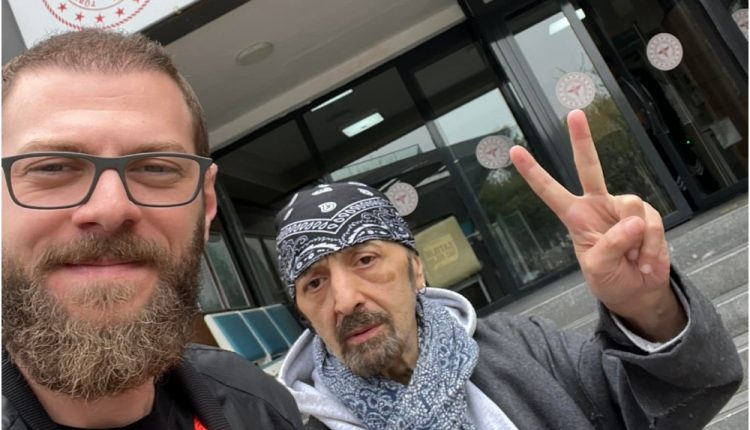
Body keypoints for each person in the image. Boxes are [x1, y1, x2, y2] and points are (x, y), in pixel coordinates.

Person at [274, 110, 742, 430]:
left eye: (365, 260)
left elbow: (675, 402)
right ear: (302, 311)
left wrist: (648, 308)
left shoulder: (522, 348)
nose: (344, 299)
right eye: (314, 282)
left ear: (416, 270)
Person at [2, 29, 303, 429]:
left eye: (156, 168)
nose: (111, 209)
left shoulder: (261, 405)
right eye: (52, 167)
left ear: (206, 203)